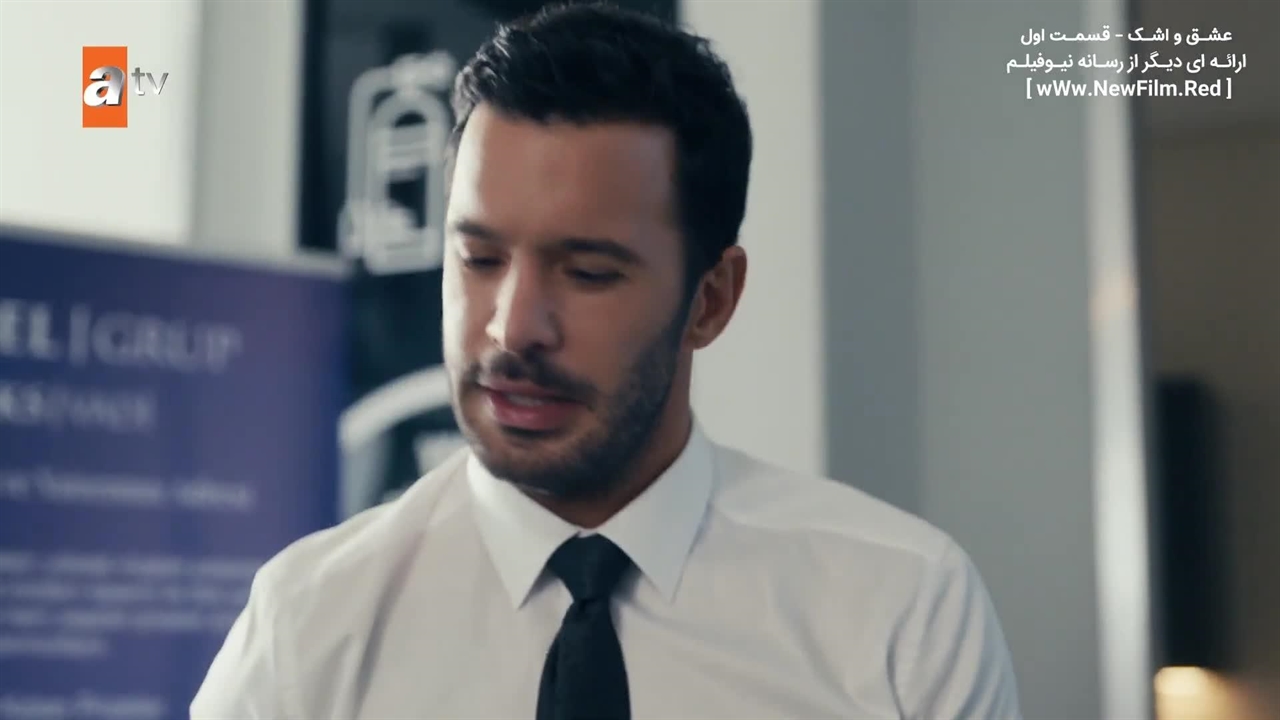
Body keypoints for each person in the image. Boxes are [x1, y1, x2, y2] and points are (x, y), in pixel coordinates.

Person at [190, 3, 1022, 718]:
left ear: (711, 299)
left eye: (587, 272)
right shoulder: (308, 628)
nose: (513, 329)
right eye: (478, 259)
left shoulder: (900, 611)